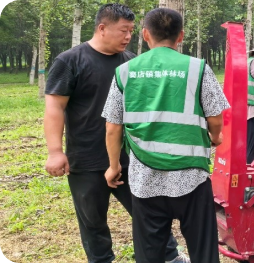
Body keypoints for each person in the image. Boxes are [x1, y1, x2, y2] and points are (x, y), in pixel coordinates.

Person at [43, 4, 186, 263]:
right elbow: (55, 105)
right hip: (86, 158)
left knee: (150, 212)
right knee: (92, 221)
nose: (128, 36)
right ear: (102, 28)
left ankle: (171, 257)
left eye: (132, 31)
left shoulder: (131, 62)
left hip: (130, 158)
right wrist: (55, 151)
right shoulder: (71, 60)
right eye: (123, 30)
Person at [102, 8, 229, 263]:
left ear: (145, 34)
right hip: (191, 177)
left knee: (150, 253)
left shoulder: (125, 72)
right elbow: (216, 119)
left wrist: (113, 166)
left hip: (145, 180)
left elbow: (113, 127)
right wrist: (216, 137)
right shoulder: (197, 68)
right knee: (203, 250)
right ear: (180, 36)